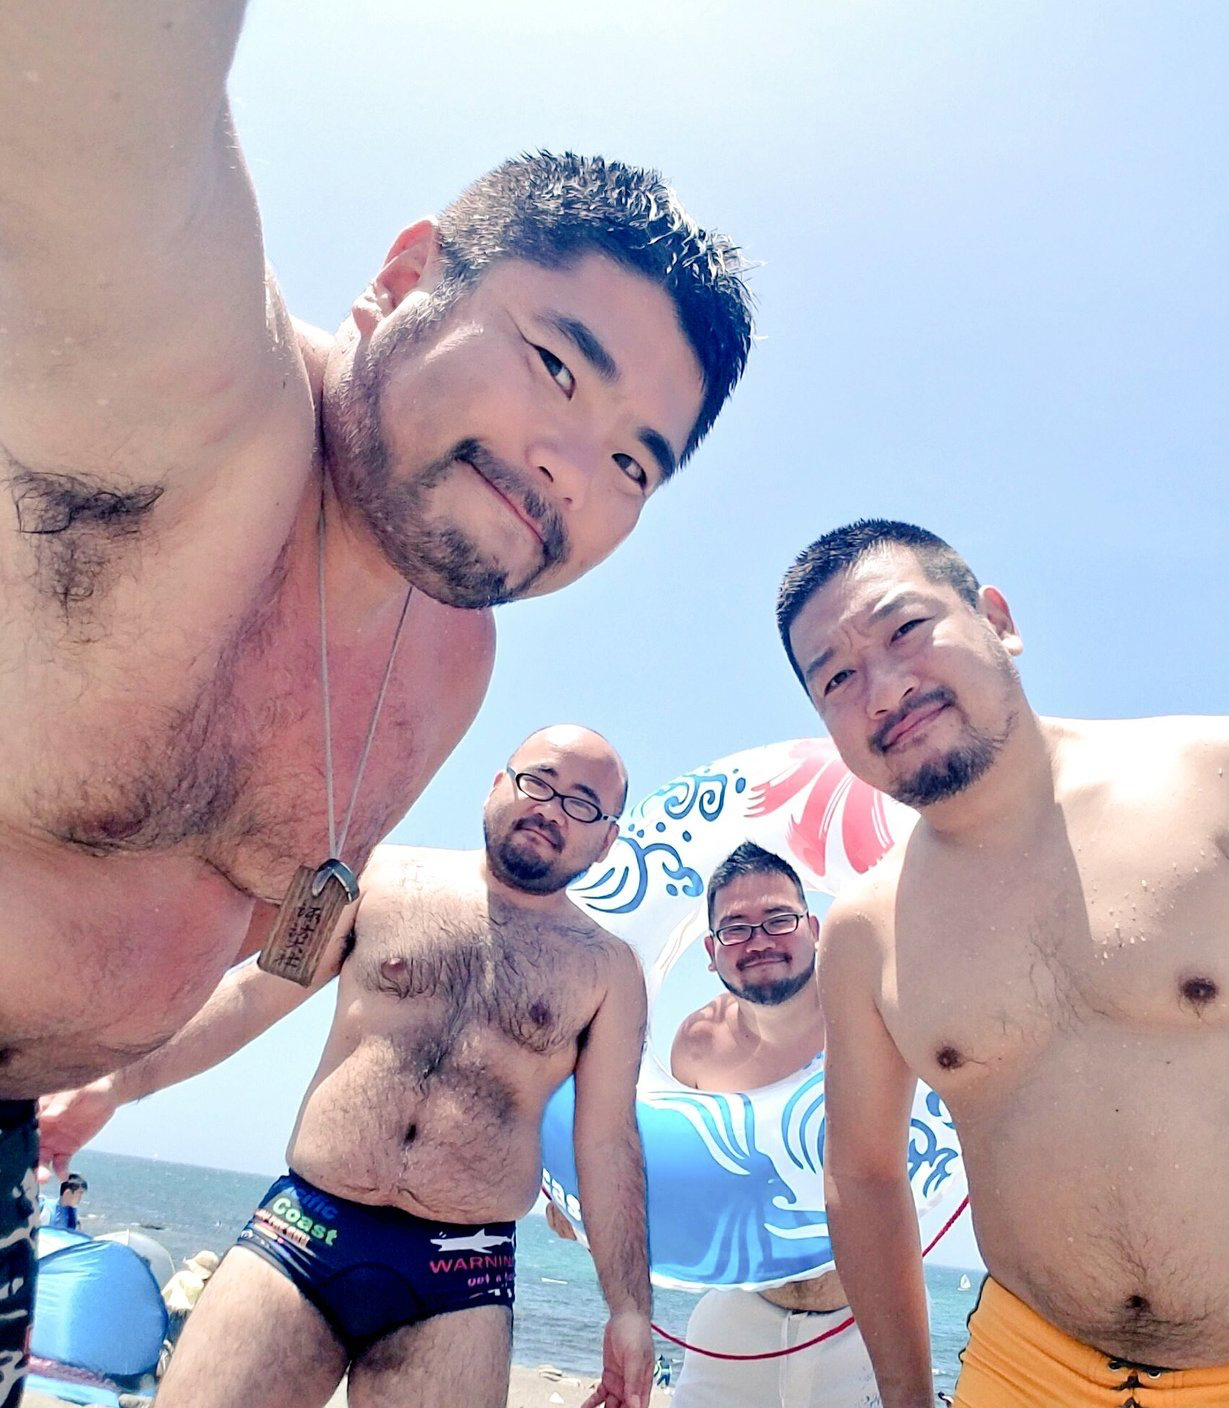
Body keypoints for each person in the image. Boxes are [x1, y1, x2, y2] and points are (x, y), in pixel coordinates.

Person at [2, 7, 751, 1398]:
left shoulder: (449, 665)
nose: (570, 466)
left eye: (633, 464)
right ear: (406, 275)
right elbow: (100, 104)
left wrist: (626, 1306)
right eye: (555, 364)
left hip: (99, 1165)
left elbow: (278, 940)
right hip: (305, 1223)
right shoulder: (183, 395)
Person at [776, 519, 1229, 1407]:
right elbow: (862, 1175)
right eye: (837, 679)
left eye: (905, 629)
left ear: (998, 621)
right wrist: (906, 1396)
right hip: (1024, 1368)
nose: (885, 689)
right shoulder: (863, 932)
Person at [39, 726, 653, 1408]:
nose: (551, 809)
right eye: (538, 781)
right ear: (495, 786)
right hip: (301, 1231)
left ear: (607, 840)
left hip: (463, 1277)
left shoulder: (610, 972)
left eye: (582, 804)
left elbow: (608, 1141)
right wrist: (116, 1082)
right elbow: (254, 992)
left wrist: (629, 1309)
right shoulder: (372, 872)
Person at [667, 842, 879, 1408]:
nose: (759, 940)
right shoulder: (698, 1046)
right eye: (735, 928)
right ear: (711, 951)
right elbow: (678, 1179)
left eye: (779, 919)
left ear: (814, 928)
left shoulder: (875, 1015)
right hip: (735, 1319)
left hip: (867, 1318)